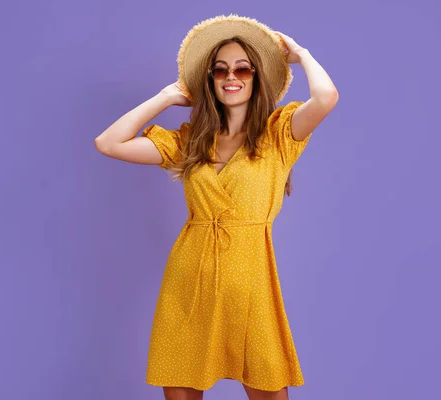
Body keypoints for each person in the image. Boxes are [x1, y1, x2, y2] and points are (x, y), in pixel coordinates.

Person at [94, 15, 338, 400]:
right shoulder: (190, 141)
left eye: (243, 68)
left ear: (258, 78)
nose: (231, 76)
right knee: (180, 385)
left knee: (268, 385)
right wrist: (167, 96)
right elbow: (109, 143)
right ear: (209, 79)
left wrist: (301, 54)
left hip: (250, 281)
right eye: (219, 70)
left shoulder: (279, 133)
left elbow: (326, 98)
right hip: (189, 281)